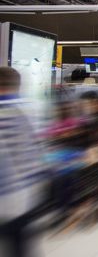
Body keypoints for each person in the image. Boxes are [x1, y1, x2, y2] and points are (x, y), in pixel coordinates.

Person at [0, 67, 48, 257]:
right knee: (22, 246)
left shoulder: (4, 112)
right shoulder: (31, 108)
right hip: (30, 193)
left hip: (7, 197)